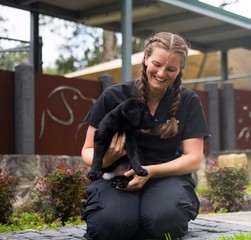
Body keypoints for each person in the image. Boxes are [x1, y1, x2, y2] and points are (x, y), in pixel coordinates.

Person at [81, 31, 210, 240]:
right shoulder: (114, 96)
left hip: (166, 177)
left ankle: (148, 215)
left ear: (180, 70)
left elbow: (194, 158)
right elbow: (87, 150)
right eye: (157, 64)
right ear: (145, 59)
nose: (161, 73)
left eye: (171, 69)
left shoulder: (189, 101)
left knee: (164, 221)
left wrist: (148, 171)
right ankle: (131, 217)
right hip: (117, 174)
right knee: (110, 225)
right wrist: (107, 159)